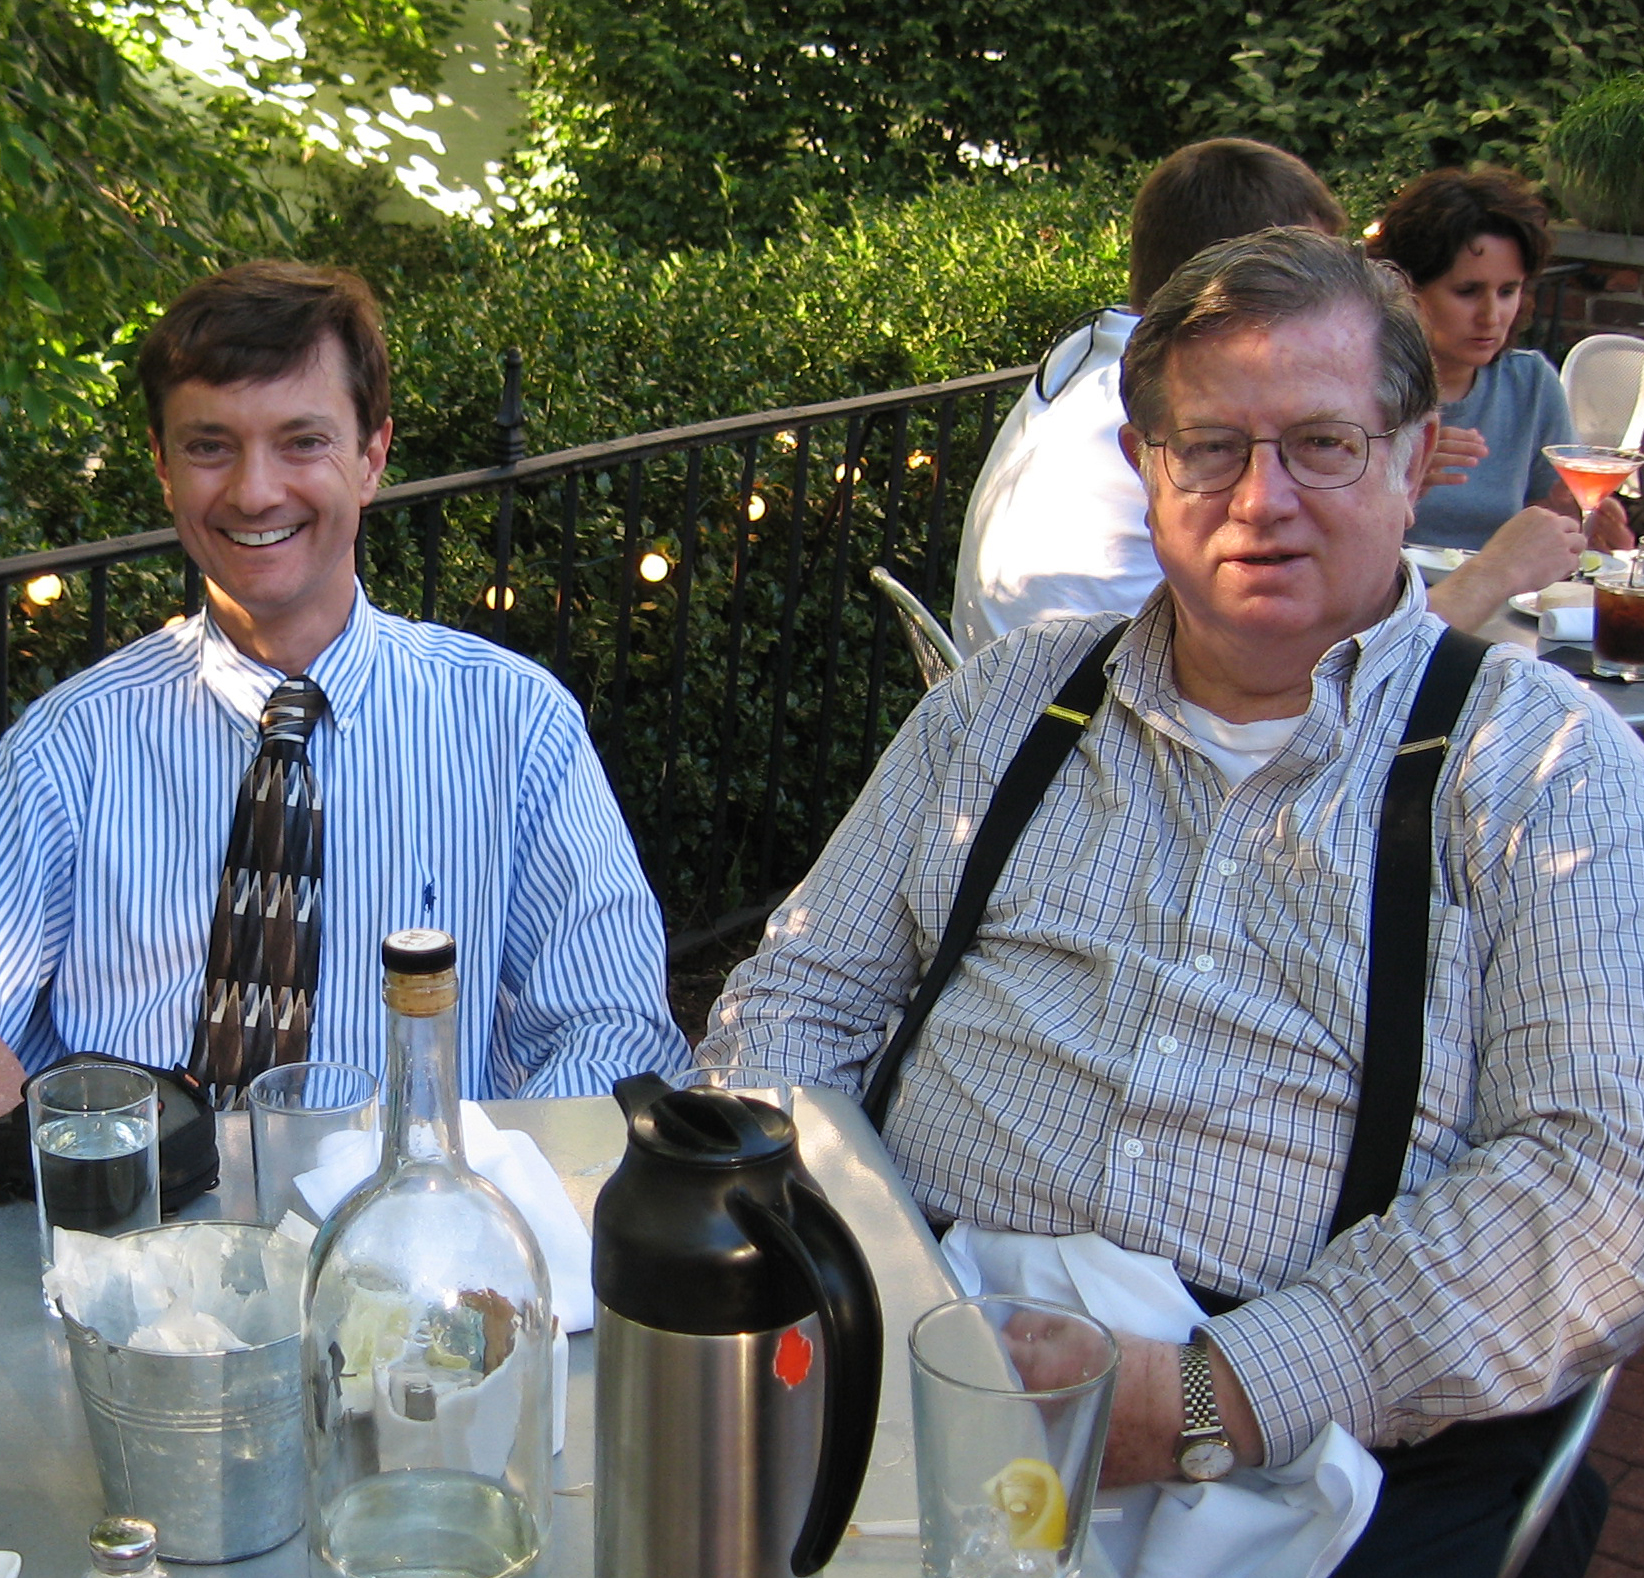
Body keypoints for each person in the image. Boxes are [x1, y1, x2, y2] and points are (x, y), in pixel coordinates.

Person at [702, 229, 1644, 1574]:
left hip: (1309, 1436)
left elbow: (1601, 1177)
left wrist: (1220, 1391)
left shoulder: (1540, 769)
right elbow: (797, 993)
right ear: (1147, 467)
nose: (1261, 501)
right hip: (914, 1352)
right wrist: (851, 1269)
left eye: (1321, 444)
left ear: (1413, 450)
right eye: (1209, 447)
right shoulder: (1009, 700)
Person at [0, 261, 688, 1104]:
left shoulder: (514, 725)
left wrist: (475, 1196)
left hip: (415, 1217)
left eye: (303, 441)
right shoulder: (64, 752)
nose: (255, 492)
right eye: (210, 445)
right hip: (137, 1219)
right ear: (164, 468)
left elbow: (611, 1027)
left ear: (372, 457)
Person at [952, 143, 1577, 652]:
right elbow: (1340, 677)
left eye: (1321, 443)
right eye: (1302, 274)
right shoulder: (1154, 406)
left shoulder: (1085, 364)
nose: (1260, 498)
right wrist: (1497, 572)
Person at [951, 138, 1347, 657]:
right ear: (1240, 284)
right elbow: (1343, 653)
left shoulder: (1089, 355)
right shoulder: (1173, 405)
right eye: (1305, 278)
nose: (1328, 301)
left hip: (1003, 683)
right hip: (1085, 708)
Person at [1367, 166, 1630, 554]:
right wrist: (1397, 478)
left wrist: (1581, 524)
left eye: (1508, 291)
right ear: (1407, 288)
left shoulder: (1530, 383)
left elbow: (1548, 523)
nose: (1491, 316)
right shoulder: (1365, 381)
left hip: (1503, 605)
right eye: (1467, 291)